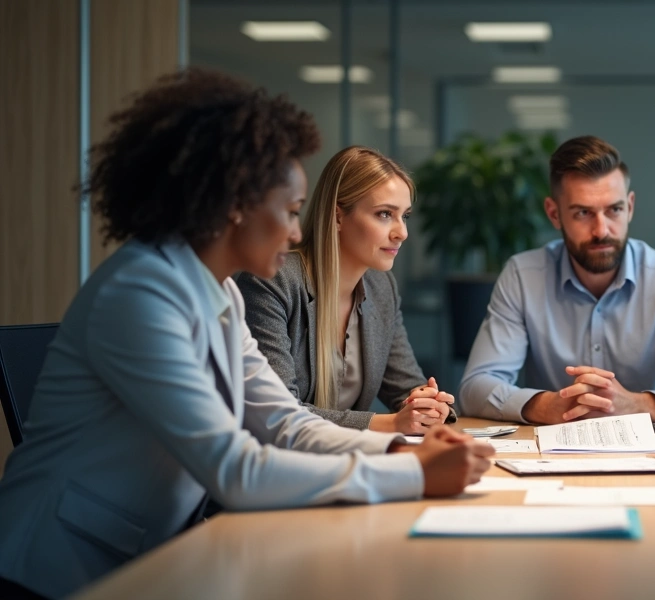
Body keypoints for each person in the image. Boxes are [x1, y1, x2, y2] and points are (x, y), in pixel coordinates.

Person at [0, 69, 493, 600]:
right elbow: (234, 467)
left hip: (145, 554)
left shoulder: (220, 293)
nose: (298, 232)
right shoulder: (140, 294)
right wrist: (414, 475)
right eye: (290, 211)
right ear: (234, 205)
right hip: (53, 570)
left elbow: (282, 421)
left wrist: (400, 451)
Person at [458, 135, 655, 424]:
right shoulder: (522, 277)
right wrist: (547, 405)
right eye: (583, 213)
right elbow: (476, 386)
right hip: (552, 453)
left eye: (614, 210)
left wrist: (635, 404)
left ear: (630, 207)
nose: (601, 229)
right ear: (554, 213)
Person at [237, 146, 455, 433]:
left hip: (347, 459)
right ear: (338, 216)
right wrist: (391, 423)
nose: (402, 232)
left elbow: (405, 387)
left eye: (405, 216)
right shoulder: (272, 281)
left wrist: (429, 406)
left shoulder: (381, 287)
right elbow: (278, 412)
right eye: (385, 214)